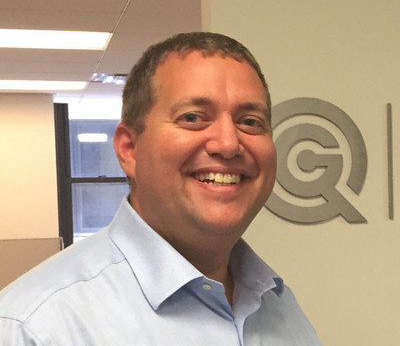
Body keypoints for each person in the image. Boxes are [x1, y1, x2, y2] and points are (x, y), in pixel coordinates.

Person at [0, 32, 321, 345]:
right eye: (192, 117)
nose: (228, 144)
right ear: (129, 149)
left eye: (250, 121)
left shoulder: (277, 304)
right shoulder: (34, 328)